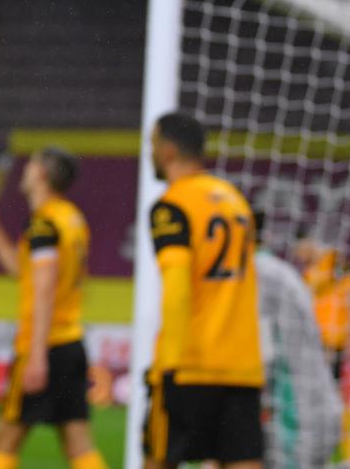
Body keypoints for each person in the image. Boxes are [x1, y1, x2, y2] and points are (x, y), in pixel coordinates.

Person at [0, 147, 108, 469]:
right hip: (71, 342)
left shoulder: (44, 224)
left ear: (42, 175)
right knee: (78, 443)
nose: (26, 170)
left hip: (44, 344)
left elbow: (44, 289)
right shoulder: (71, 218)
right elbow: (25, 273)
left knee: (4, 440)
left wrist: (35, 357)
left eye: (31, 165)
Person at [141, 112, 263, 469]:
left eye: (152, 144)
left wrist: (169, 367)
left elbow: (177, 289)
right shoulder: (235, 200)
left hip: (190, 364)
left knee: (160, 461)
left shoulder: (173, 205)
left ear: (166, 151)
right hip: (242, 365)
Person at [254, 216, 342, 469]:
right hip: (315, 400)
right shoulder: (285, 273)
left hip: (296, 416)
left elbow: (265, 353)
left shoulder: (257, 274)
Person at [297, 238, 350, 467]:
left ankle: (349, 457)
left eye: (301, 250)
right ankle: (342, 457)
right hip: (317, 344)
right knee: (318, 402)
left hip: (330, 343)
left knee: (332, 401)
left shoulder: (330, 265)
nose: (299, 256)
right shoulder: (311, 272)